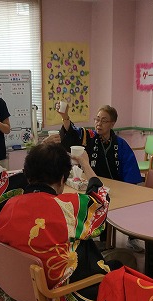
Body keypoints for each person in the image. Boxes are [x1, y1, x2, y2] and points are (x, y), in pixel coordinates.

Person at [0, 142, 122, 301]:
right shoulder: (66, 206)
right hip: (53, 298)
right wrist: (85, 165)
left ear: (28, 175)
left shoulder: (10, 205)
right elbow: (101, 200)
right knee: (116, 268)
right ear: (62, 179)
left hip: (17, 287)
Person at [47, 103, 144, 252]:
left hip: (117, 187)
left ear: (112, 124)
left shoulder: (120, 144)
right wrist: (65, 117)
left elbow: (130, 170)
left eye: (104, 121)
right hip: (94, 186)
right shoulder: (89, 137)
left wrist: (129, 189)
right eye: (97, 119)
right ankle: (103, 241)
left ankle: (132, 237)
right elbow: (73, 132)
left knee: (128, 205)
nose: (99, 124)